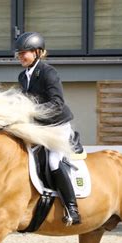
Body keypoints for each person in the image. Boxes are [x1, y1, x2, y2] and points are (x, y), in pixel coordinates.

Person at [15, 32, 81, 225]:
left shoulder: (48, 72)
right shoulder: (23, 75)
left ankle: (72, 209)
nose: (20, 56)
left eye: (24, 53)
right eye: (18, 53)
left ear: (37, 52)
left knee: (53, 161)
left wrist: (31, 111)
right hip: (40, 128)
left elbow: (57, 103)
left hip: (57, 126)